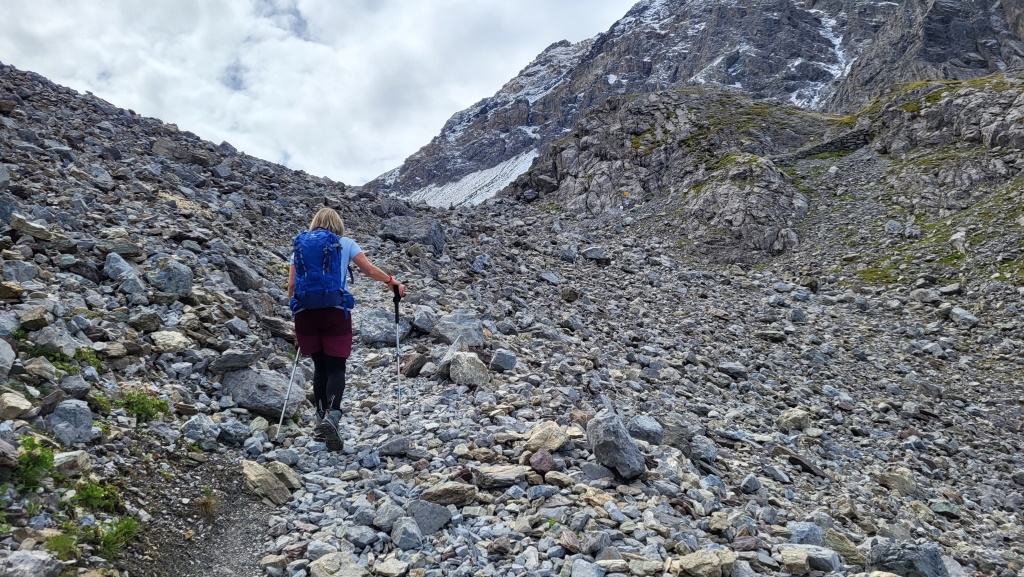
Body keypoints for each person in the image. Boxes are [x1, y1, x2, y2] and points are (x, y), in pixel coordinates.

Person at [287, 207, 406, 451]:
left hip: (306, 313)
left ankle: (320, 421)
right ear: (338, 224)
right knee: (336, 367)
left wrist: (296, 316)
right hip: (335, 311)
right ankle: (332, 416)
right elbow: (369, 270)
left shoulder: (300, 247)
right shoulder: (345, 243)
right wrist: (390, 281)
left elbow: (291, 285)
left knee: (319, 367)